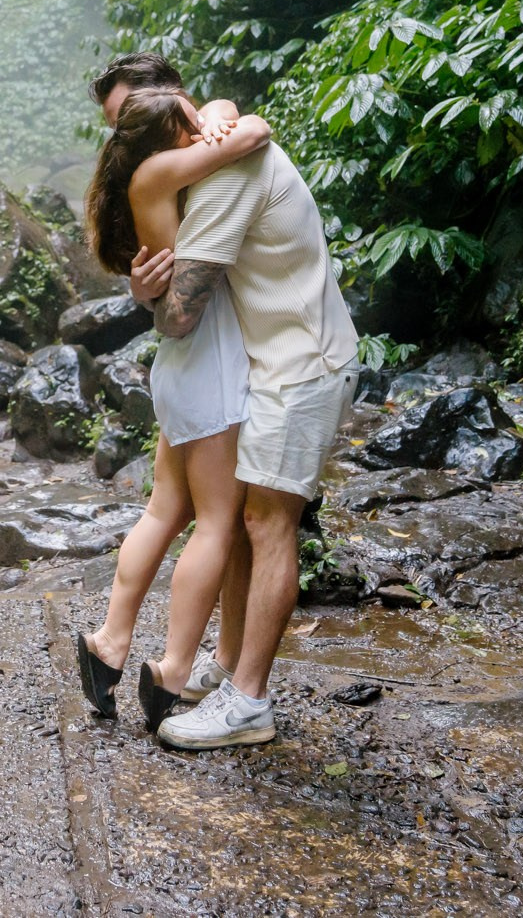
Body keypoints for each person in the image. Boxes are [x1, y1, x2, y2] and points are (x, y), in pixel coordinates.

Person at [142, 96, 362, 751]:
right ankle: (229, 663)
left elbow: (180, 314)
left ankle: (249, 700)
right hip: (282, 362)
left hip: (301, 368)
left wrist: (148, 296)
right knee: (245, 520)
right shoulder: (223, 142)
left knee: (268, 523)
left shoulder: (224, 177)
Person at [74, 86, 269, 731]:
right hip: (208, 361)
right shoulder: (165, 170)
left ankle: (109, 643)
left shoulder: (147, 175)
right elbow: (248, 132)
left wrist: (209, 113)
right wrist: (220, 124)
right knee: (218, 522)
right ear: (168, 133)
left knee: (165, 510)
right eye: (187, 120)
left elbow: (220, 106)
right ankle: (176, 669)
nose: (198, 126)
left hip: (179, 367)